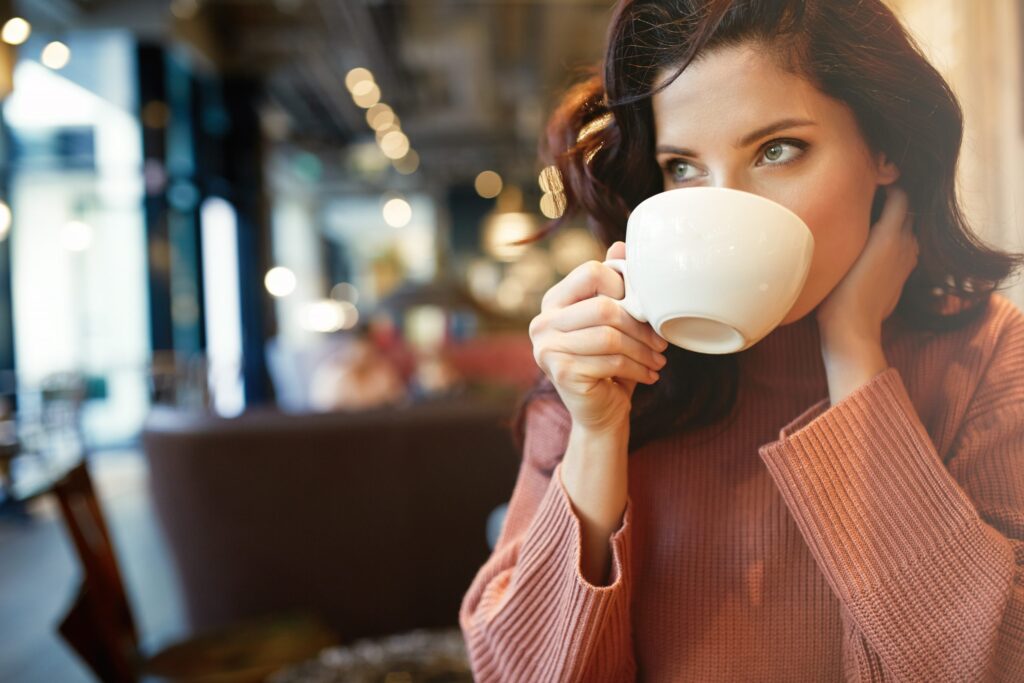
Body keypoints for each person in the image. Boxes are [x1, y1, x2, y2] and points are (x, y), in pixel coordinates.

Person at [459, 1, 1024, 681]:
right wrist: (596, 433)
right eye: (685, 167)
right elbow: (513, 672)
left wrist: (853, 353)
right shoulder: (607, 369)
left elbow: (993, 664)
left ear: (885, 149)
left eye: (777, 150)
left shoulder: (990, 353)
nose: (723, 211)